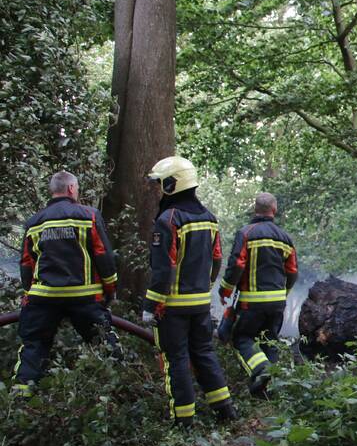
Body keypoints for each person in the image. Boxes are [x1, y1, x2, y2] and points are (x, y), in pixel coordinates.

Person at [143, 156, 236, 426]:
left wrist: (150, 306)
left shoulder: (168, 219)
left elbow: (163, 269)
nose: (158, 188)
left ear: (172, 184)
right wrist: (205, 286)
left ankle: (183, 421)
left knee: (177, 360)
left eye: (161, 183)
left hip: (172, 306)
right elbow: (217, 259)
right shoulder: (209, 218)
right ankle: (225, 410)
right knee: (205, 354)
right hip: (200, 305)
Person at [13, 171, 118, 395]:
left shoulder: (35, 222)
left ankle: (20, 401)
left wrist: (28, 293)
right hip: (85, 298)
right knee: (106, 345)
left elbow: (26, 263)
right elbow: (103, 256)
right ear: (71, 189)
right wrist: (110, 291)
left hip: (44, 298)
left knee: (33, 348)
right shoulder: (88, 215)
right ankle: (117, 393)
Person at [218, 192, 298, 397]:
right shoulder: (285, 238)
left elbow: (236, 264)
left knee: (242, 338)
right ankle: (270, 390)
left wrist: (224, 289)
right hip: (277, 304)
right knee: (270, 340)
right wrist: (284, 293)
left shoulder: (246, 233)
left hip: (251, 304)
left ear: (255, 209)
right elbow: (292, 272)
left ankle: (261, 370)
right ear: (274, 210)